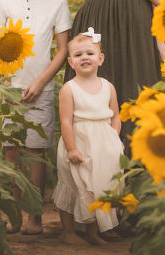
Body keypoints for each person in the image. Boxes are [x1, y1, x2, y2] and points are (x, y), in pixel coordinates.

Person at [0, 0, 72, 235]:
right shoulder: (5, 2)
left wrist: (39, 82)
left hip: (42, 89)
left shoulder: (58, 3)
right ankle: (13, 215)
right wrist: (2, 84)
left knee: (36, 154)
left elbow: (63, 50)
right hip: (9, 89)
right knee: (11, 154)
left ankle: (34, 218)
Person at [53, 30, 123, 245]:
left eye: (90, 53)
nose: (84, 57)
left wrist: (113, 139)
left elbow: (116, 116)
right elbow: (66, 121)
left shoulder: (108, 87)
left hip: (103, 144)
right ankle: (68, 231)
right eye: (78, 55)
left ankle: (93, 232)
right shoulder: (69, 88)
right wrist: (72, 148)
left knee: (97, 185)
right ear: (70, 62)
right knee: (72, 184)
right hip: (78, 141)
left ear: (100, 59)